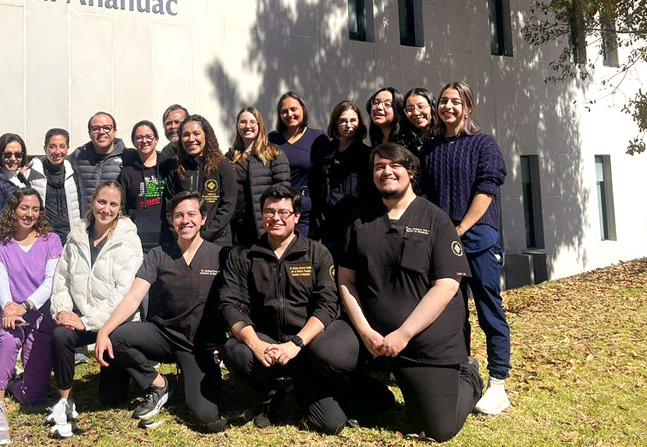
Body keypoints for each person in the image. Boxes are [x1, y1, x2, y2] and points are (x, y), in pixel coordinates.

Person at [309, 143, 483, 442]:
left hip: (424, 340)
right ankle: (377, 393)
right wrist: (365, 332)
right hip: (374, 337)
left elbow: (447, 285)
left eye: (394, 165)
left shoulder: (435, 219)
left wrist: (403, 334)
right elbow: (346, 281)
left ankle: (468, 375)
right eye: (379, 167)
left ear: (410, 172)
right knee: (326, 350)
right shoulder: (361, 220)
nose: (386, 171)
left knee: (437, 429)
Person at [219, 183, 347, 434]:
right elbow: (231, 304)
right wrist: (256, 344)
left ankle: (306, 389)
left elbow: (328, 306)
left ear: (297, 216)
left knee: (331, 424)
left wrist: (297, 343)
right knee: (236, 350)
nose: (275, 218)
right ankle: (269, 393)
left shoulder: (317, 253)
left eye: (283, 212)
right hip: (266, 347)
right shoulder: (243, 255)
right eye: (269, 211)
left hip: (307, 348)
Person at [94, 192, 228, 432]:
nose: (185, 220)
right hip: (162, 335)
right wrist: (104, 330)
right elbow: (134, 296)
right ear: (171, 220)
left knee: (207, 417)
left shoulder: (220, 256)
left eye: (191, 214)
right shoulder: (158, 254)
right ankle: (158, 383)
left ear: (203, 219)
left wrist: (221, 339)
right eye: (179, 216)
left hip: (196, 345)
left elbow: (230, 302)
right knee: (117, 337)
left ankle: (193, 379)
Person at [421, 81, 511, 415]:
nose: (448, 106)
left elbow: (486, 191)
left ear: (468, 107)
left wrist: (459, 229)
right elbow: (424, 195)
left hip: (477, 239)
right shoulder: (429, 149)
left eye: (455, 101)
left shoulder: (483, 143)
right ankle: (464, 372)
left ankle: (498, 383)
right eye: (443, 101)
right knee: (453, 314)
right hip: (445, 243)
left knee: (489, 309)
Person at [46, 181, 144, 439]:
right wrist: (64, 313)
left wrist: (87, 322)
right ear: (92, 202)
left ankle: (129, 373)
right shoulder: (76, 236)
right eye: (102, 202)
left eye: (113, 204)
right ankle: (65, 400)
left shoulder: (129, 241)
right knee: (61, 335)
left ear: (120, 209)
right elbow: (62, 279)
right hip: (82, 317)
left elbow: (122, 294)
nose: (106, 209)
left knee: (112, 399)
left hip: (116, 324)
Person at [0, 188, 62, 446]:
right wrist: (9, 308)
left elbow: (50, 281)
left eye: (35, 209)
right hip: (6, 314)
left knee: (34, 395)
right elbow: (0, 283)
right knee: (7, 339)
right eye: (24, 208)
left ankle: (11, 380)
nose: (30, 214)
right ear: (13, 210)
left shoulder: (51, 241)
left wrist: (25, 306)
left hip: (37, 318)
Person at [312, 101, 376, 260]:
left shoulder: (366, 154)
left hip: (355, 226)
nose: (348, 125)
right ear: (335, 123)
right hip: (328, 227)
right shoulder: (326, 153)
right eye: (343, 120)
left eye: (353, 120)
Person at [162, 115, 238, 247]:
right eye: (186, 135)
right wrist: (180, 234)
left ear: (206, 136)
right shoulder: (176, 169)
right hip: (185, 241)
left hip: (217, 240)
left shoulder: (222, 165)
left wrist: (204, 235)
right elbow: (170, 207)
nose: (191, 139)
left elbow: (228, 206)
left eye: (196, 133)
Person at [226, 106, 290, 246]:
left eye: (252, 122)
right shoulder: (230, 158)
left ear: (259, 125)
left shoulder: (274, 153)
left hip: (264, 225)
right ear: (237, 126)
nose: (247, 126)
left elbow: (284, 191)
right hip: (237, 227)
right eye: (243, 122)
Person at [268, 92, 327, 236]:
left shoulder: (318, 138)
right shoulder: (272, 140)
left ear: (303, 110)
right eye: (284, 111)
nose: (289, 114)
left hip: (308, 212)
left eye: (293, 109)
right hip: (280, 211)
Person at [25, 128, 81, 245]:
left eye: (62, 146)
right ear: (45, 149)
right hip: (43, 236)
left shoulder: (74, 172)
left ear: (67, 148)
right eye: (52, 146)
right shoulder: (32, 173)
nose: (57, 151)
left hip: (70, 236)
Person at [117, 120, 166, 253]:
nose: (144, 141)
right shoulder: (127, 172)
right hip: (138, 240)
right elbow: (123, 207)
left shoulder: (168, 166)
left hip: (168, 238)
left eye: (149, 137)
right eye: (139, 137)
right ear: (133, 142)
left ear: (156, 139)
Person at [70, 112, 128, 211]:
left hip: (116, 221)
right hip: (87, 221)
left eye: (107, 128)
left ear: (114, 131)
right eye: (96, 128)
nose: (101, 132)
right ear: (89, 133)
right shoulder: (79, 156)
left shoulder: (126, 156)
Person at [0, 133, 29, 249]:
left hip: (20, 244)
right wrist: (9, 247)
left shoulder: (19, 179)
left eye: (18, 155)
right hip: (5, 248)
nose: (13, 159)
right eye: (7, 154)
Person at [402, 87, 438, 155]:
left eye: (421, 106)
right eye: (410, 109)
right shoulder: (404, 140)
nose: (416, 113)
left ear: (432, 107)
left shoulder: (444, 136)